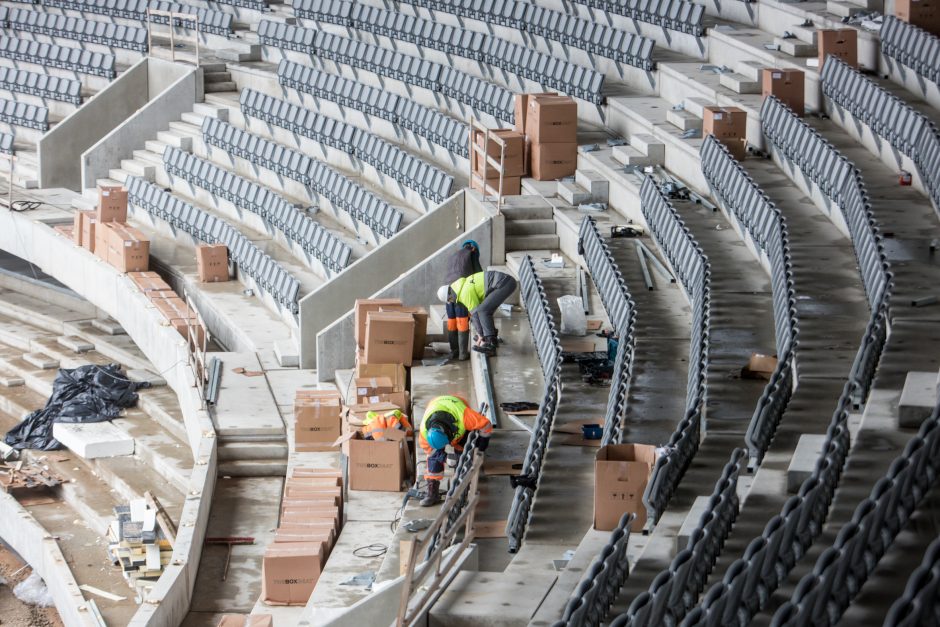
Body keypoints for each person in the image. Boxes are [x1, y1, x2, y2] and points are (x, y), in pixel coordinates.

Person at [418, 395, 492, 506]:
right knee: (433, 458)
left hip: (456, 404)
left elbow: (486, 425)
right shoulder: (424, 432)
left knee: (462, 451)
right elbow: (430, 451)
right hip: (435, 404)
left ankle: (461, 484)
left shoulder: (465, 416)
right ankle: (432, 492)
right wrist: (445, 458)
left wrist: (482, 445)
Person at [440, 269, 517, 356]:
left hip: (505, 284)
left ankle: (490, 345)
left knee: (483, 311)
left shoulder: (464, 293)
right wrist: (481, 332)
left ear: (450, 295)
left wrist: (480, 334)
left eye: (450, 300)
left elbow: (475, 314)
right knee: (486, 309)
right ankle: (491, 337)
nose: (452, 302)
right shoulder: (460, 287)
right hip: (505, 282)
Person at [440, 240, 483, 360]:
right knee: (462, 322)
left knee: (452, 321)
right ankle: (463, 354)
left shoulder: (454, 254)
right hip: (460, 291)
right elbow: (479, 274)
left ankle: (454, 351)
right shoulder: (472, 253)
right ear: (474, 248)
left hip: (447, 291)